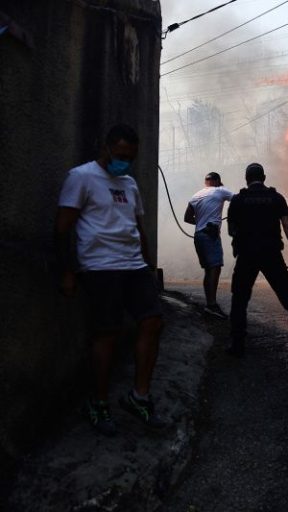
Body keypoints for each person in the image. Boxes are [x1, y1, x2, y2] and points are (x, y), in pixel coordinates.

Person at [56, 124, 166, 436]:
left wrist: (148, 265)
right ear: (106, 149)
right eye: (119, 155)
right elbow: (62, 227)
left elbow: (137, 228)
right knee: (107, 334)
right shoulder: (81, 177)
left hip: (134, 266)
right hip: (99, 267)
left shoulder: (129, 184)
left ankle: (139, 397)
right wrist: (67, 270)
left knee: (153, 322)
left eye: (130, 157)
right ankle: (98, 402)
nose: (124, 161)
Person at [226, 163, 288, 358]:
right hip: (271, 254)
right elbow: (287, 226)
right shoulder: (276, 198)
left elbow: (231, 230)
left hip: (247, 255)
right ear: (264, 178)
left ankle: (237, 344)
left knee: (240, 299)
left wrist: (243, 234)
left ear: (246, 179)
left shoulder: (238, 200)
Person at [184, 171, 234, 318]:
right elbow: (239, 200)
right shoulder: (219, 190)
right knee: (215, 268)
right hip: (209, 236)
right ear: (218, 181)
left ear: (206, 182)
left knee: (209, 269)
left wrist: (201, 223)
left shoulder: (196, 195)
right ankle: (211, 305)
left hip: (198, 236)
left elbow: (187, 218)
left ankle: (210, 303)